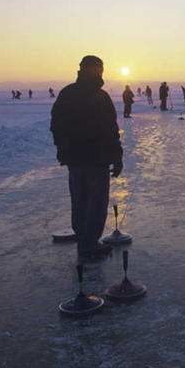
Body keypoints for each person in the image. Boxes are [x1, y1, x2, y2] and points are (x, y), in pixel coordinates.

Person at [50, 55, 123, 260]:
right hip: (95, 159)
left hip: (76, 159)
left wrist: (63, 149)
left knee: (80, 201)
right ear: (98, 71)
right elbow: (111, 131)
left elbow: (56, 126)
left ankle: (85, 242)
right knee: (95, 203)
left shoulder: (67, 93)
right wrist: (116, 158)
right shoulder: (100, 96)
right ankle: (89, 245)